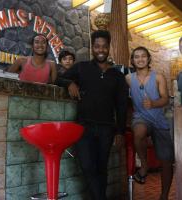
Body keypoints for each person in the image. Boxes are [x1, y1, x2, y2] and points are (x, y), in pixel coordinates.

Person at [56, 30, 128, 200]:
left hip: (106, 128)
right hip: (84, 127)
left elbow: (122, 106)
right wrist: (70, 82)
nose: (100, 50)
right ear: (92, 48)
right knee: (88, 166)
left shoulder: (117, 76)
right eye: (97, 46)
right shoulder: (81, 67)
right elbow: (57, 79)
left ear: (108, 48)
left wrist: (120, 132)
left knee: (101, 168)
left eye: (104, 46)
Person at [125, 46, 174, 200]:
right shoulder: (128, 78)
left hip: (159, 119)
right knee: (138, 132)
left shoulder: (158, 77)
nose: (140, 59)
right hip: (140, 117)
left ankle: (164, 195)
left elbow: (165, 98)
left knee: (166, 161)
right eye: (136, 57)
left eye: (143, 56)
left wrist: (153, 104)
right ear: (132, 60)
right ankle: (144, 165)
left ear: (148, 59)